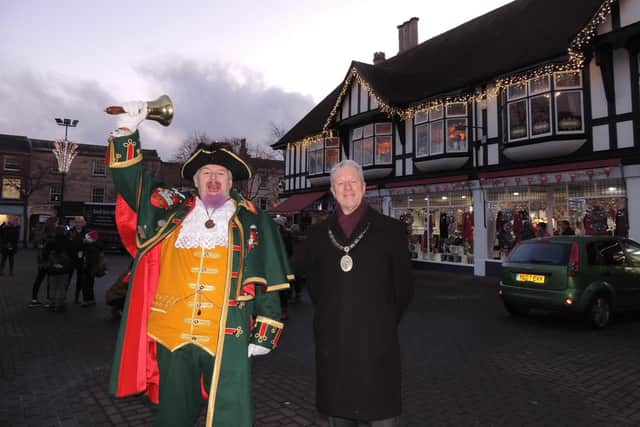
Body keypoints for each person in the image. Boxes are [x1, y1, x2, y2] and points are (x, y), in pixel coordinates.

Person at [106, 101, 292, 427]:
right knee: (173, 416)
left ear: (232, 182)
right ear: (195, 181)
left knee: (229, 415)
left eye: (221, 174)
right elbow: (131, 184)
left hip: (226, 334)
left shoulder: (252, 221)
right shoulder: (169, 211)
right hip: (170, 332)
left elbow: (267, 279)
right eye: (206, 173)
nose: (214, 179)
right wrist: (126, 132)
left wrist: (265, 332)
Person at [295, 160, 414, 427]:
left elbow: (404, 287)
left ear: (363, 187)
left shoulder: (391, 230)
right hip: (334, 344)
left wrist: (381, 320)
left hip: (377, 345)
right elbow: (306, 278)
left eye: (353, 182)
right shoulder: (317, 234)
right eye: (341, 183)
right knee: (340, 415)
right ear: (333, 191)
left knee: (381, 413)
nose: (347, 188)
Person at [44, 225, 74, 312]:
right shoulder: (68, 241)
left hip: (52, 268)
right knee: (62, 287)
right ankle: (60, 304)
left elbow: (45, 254)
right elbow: (72, 255)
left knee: (52, 286)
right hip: (65, 269)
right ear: (64, 232)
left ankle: (52, 303)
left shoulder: (51, 242)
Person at [67, 216, 87, 303]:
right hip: (71, 258)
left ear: (83, 223)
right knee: (67, 278)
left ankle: (77, 297)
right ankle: (63, 296)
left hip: (81, 259)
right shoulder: (70, 232)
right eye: (77, 222)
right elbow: (66, 244)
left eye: (80, 222)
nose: (78, 224)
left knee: (80, 279)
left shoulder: (86, 232)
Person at [80, 230, 103, 307]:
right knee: (90, 284)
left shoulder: (89, 247)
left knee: (85, 284)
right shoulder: (96, 246)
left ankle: (86, 300)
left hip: (87, 267)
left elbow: (87, 258)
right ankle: (91, 299)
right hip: (93, 268)